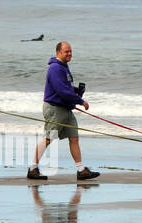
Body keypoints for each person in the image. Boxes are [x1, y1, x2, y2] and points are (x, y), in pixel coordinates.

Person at [28, 41, 99, 181]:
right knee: (49, 138)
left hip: (65, 109)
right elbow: (62, 91)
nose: (69, 54)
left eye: (71, 51)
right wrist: (80, 101)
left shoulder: (64, 67)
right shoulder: (55, 68)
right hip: (55, 109)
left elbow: (66, 88)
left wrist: (76, 91)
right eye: (66, 51)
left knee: (74, 138)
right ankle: (33, 169)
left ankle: (81, 170)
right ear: (58, 52)